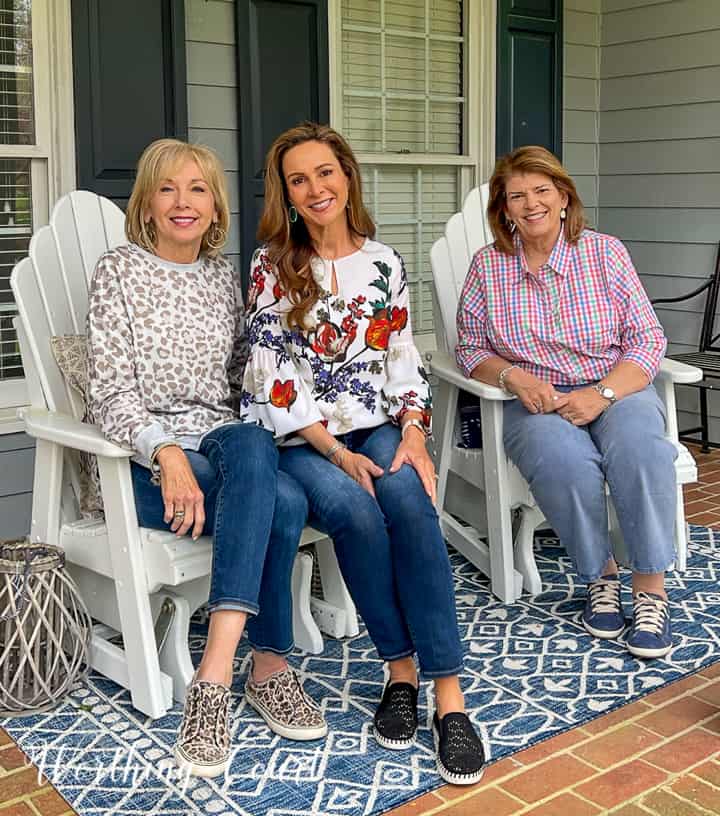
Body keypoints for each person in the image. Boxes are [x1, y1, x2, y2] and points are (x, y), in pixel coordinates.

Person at [240, 122, 485, 785]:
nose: (315, 188)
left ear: (346, 176)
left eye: (325, 172)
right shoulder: (273, 265)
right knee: (355, 508)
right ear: (286, 195)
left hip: (376, 421)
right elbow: (275, 379)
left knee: (408, 495)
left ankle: (448, 698)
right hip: (301, 435)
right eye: (299, 179)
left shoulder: (384, 262)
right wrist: (336, 453)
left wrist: (412, 430)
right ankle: (398, 671)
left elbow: (402, 358)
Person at [86, 138, 326, 780]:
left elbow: (246, 377)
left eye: (197, 189)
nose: (183, 202)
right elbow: (109, 391)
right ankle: (267, 667)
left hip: (225, 452)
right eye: (168, 189)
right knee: (287, 500)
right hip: (141, 468)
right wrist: (166, 455)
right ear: (147, 202)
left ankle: (212, 679)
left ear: (216, 206)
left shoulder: (225, 278)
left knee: (252, 445)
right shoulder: (118, 272)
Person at [456, 145, 677, 659]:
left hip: (613, 386)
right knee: (563, 461)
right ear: (503, 208)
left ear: (562, 197)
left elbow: (647, 339)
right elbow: (469, 346)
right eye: (517, 196)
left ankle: (650, 587)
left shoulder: (604, 253)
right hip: (537, 401)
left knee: (641, 449)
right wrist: (513, 377)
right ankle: (600, 575)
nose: (531, 204)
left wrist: (602, 395)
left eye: (541, 191)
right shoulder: (488, 267)